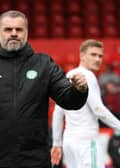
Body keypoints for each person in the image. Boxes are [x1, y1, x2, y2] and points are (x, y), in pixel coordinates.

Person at [0, 10, 88, 168]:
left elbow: (69, 100)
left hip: (33, 160)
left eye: (19, 29)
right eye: (8, 29)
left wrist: (79, 90)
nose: (14, 33)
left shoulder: (44, 64)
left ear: (27, 33)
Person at [51, 39, 120, 168]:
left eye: (100, 56)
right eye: (93, 54)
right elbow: (98, 109)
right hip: (87, 141)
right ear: (82, 55)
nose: (98, 59)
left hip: (69, 142)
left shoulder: (68, 75)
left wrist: (57, 143)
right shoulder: (87, 75)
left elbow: (57, 113)